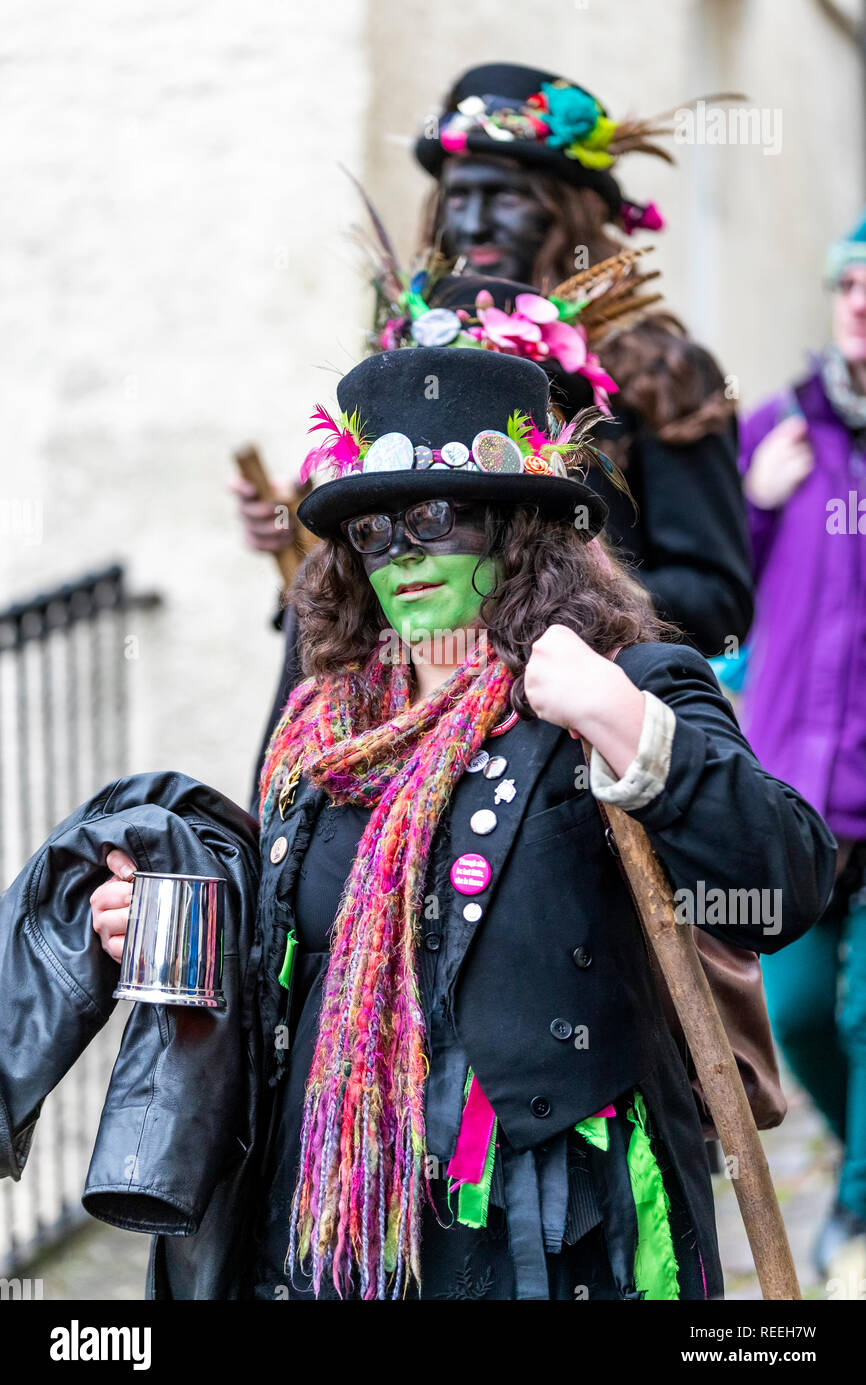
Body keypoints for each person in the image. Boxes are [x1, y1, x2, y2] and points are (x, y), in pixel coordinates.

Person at [94, 347, 834, 1299]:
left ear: (520, 530)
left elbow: (782, 885)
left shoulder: (625, 680)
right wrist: (173, 922)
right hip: (333, 1220)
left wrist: (623, 724)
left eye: (433, 518)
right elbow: (297, 962)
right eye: (372, 530)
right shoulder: (325, 726)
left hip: (545, 1237)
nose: (399, 553)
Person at [238, 64, 753, 796]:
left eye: (504, 195)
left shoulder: (658, 373)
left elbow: (718, 602)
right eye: (457, 196)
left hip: (561, 751)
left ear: (570, 209)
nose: (472, 223)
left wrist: (538, 592)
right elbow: (361, 583)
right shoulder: (404, 363)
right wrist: (301, 533)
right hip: (388, 740)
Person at [737, 211, 866, 1285]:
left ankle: (857, 1218)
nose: (861, 301)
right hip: (793, 799)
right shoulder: (775, 432)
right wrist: (753, 506)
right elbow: (710, 598)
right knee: (793, 1009)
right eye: (850, 282)